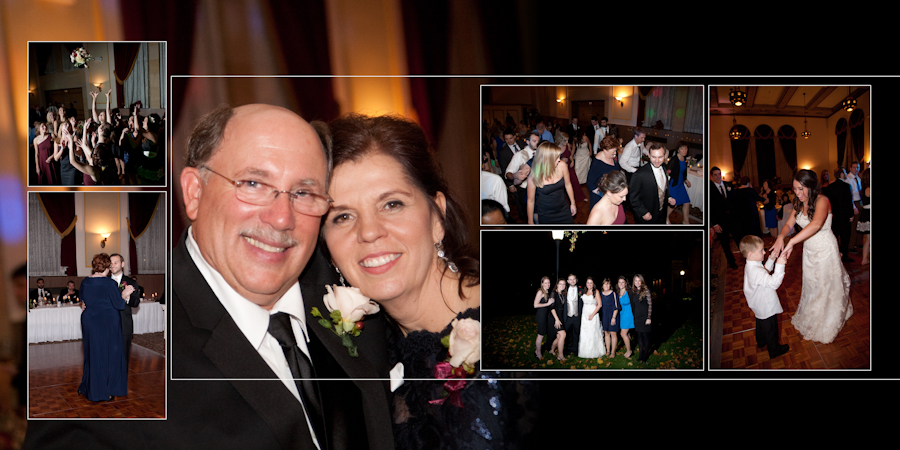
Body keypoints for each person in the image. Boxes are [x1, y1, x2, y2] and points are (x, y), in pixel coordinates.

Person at [24, 103, 396, 450]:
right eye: (253, 184)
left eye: (304, 192)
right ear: (194, 192)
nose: (283, 218)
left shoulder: (357, 288)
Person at [324, 112, 534, 449]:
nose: (368, 232)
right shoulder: (361, 352)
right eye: (342, 216)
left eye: (392, 204)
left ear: (437, 216)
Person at [770, 169, 852, 344]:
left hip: (825, 249)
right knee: (812, 285)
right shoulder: (798, 203)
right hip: (809, 251)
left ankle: (828, 319)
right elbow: (788, 225)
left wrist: (791, 242)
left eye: (801, 189)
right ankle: (813, 314)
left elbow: (815, 225)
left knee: (825, 286)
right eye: (795, 189)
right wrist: (780, 237)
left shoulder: (823, 200)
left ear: (811, 186)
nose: (797, 193)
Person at [78, 253, 131, 402]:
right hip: (107, 322)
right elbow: (119, 305)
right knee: (108, 355)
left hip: (89, 321)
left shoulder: (85, 282)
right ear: (107, 267)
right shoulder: (109, 284)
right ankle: (105, 391)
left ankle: (91, 387)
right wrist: (125, 294)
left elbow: (83, 301)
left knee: (93, 354)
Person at [739, 235, 791, 359]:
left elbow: (764, 272)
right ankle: (774, 350)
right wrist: (780, 265)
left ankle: (761, 341)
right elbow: (773, 283)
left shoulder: (752, 265)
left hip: (758, 304)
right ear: (751, 254)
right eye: (761, 250)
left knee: (761, 323)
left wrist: (772, 259)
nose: (764, 252)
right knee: (771, 328)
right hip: (766, 305)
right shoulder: (755, 270)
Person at [526, 141, 576, 224]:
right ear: (547, 159)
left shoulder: (562, 166)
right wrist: (530, 221)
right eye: (556, 157)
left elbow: (568, 184)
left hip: (563, 209)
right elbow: (530, 201)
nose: (559, 160)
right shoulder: (533, 177)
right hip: (546, 214)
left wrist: (573, 203)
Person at [629, 142, 676, 224]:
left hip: (661, 214)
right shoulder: (640, 174)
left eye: (660, 157)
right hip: (647, 215)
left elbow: (663, 187)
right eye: (653, 157)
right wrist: (643, 212)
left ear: (665, 156)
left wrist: (668, 197)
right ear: (649, 155)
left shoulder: (664, 168)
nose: (657, 161)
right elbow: (633, 197)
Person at [821, 168, 855, 263]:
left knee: (835, 235)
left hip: (834, 216)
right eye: (844, 173)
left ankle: (835, 255)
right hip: (844, 216)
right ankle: (844, 255)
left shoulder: (830, 187)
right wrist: (851, 215)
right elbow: (849, 202)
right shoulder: (847, 186)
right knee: (845, 236)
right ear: (841, 174)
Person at [505, 132, 538, 222]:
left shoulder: (540, 153)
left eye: (538, 141)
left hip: (539, 189)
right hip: (525, 190)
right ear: (527, 141)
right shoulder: (519, 155)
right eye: (534, 141)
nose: (537, 143)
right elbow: (508, 173)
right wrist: (515, 175)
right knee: (529, 215)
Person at [710, 167, 738, 269]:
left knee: (739, 239)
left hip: (733, 219)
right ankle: (732, 262)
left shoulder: (728, 185)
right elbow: (710, 208)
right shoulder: (709, 188)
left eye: (719, 174)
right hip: (720, 222)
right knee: (725, 244)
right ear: (712, 176)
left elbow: (735, 201)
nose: (718, 177)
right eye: (715, 175)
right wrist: (714, 224)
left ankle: (747, 258)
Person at [586, 135, 621, 210]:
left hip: (612, 193)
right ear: (605, 150)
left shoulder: (611, 156)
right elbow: (590, 183)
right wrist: (603, 195)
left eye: (615, 150)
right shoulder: (598, 163)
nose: (615, 153)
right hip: (601, 198)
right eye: (613, 151)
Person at [666, 144, 693, 224]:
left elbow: (683, 172)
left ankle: (685, 221)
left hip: (680, 184)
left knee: (687, 202)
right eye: (682, 149)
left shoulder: (684, 159)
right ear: (678, 150)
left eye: (686, 148)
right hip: (673, 184)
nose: (684, 150)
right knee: (674, 204)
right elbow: (667, 172)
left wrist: (685, 180)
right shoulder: (674, 159)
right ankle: (666, 218)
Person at [579, 277, 604, 358]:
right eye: (588, 282)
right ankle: (584, 351)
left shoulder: (596, 291)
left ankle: (594, 351)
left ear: (593, 284)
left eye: (591, 283)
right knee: (585, 332)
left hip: (593, 313)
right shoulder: (584, 291)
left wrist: (593, 314)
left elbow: (599, 304)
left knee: (593, 332)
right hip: (584, 314)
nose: (589, 284)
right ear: (586, 284)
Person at [557, 132, 586, 202]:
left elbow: (570, 154)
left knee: (574, 181)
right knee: (564, 183)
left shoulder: (567, 145)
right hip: (560, 167)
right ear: (560, 139)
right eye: (565, 140)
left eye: (567, 140)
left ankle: (579, 197)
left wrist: (572, 160)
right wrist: (561, 160)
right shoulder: (556, 147)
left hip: (569, 165)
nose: (567, 142)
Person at [632, 274, 652, 363]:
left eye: (639, 280)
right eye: (636, 281)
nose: (637, 282)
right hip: (637, 317)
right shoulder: (634, 291)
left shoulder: (646, 290)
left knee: (645, 336)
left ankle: (645, 355)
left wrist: (649, 317)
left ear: (642, 281)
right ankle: (641, 354)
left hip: (645, 317)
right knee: (639, 336)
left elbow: (650, 305)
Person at [533, 276, 554, 360]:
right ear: (542, 283)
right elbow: (535, 305)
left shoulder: (546, 291)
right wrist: (548, 303)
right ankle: (538, 353)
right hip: (541, 316)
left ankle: (537, 351)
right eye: (546, 283)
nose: (548, 284)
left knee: (542, 334)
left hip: (545, 316)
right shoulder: (540, 292)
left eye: (548, 282)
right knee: (540, 335)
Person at [561, 274, 583, 356]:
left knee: (577, 333)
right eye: (570, 279)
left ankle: (576, 350)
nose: (572, 281)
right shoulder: (564, 291)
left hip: (577, 316)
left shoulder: (581, 290)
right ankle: (568, 349)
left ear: (576, 280)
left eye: (574, 279)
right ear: (567, 281)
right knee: (568, 333)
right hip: (568, 316)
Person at [597, 278, 619, 358]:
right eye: (605, 284)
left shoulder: (613, 294)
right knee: (606, 334)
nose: (606, 285)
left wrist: (614, 317)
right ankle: (608, 351)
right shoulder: (600, 294)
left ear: (610, 285)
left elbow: (616, 307)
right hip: (604, 316)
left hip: (613, 315)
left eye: (608, 284)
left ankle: (613, 352)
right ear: (602, 285)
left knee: (613, 334)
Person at [548, 279, 568, 361]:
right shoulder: (554, 293)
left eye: (564, 284)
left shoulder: (562, 294)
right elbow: (552, 308)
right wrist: (556, 319)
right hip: (554, 317)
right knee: (563, 334)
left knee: (559, 336)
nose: (562, 285)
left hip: (560, 317)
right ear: (557, 284)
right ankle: (560, 355)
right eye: (560, 284)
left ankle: (552, 350)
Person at [615, 276, 635, 359]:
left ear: (626, 283)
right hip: (621, 315)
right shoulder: (617, 292)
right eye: (619, 282)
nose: (621, 284)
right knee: (627, 333)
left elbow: (635, 302)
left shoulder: (629, 292)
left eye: (622, 282)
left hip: (628, 315)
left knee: (623, 333)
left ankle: (629, 351)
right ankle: (630, 346)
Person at [856, 168, 870, 265]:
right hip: (869, 213)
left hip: (867, 213)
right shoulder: (868, 188)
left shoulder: (865, 188)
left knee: (868, 240)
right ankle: (864, 259)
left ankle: (864, 259)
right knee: (869, 239)